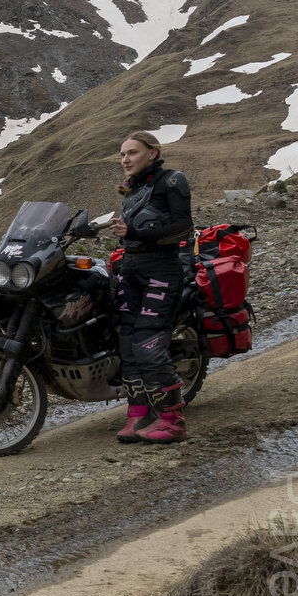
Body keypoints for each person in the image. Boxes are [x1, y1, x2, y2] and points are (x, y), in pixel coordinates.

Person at [111, 131, 193, 443]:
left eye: (132, 152)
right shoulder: (132, 190)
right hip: (131, 269)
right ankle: (138, 416)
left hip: (161, 268)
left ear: (152, 153)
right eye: (122, 155)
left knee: (147, 344)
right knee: (128, 344)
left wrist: (134, 232)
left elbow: (183, 226)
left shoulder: (171, 181)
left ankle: (172, 421)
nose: (125, 160)